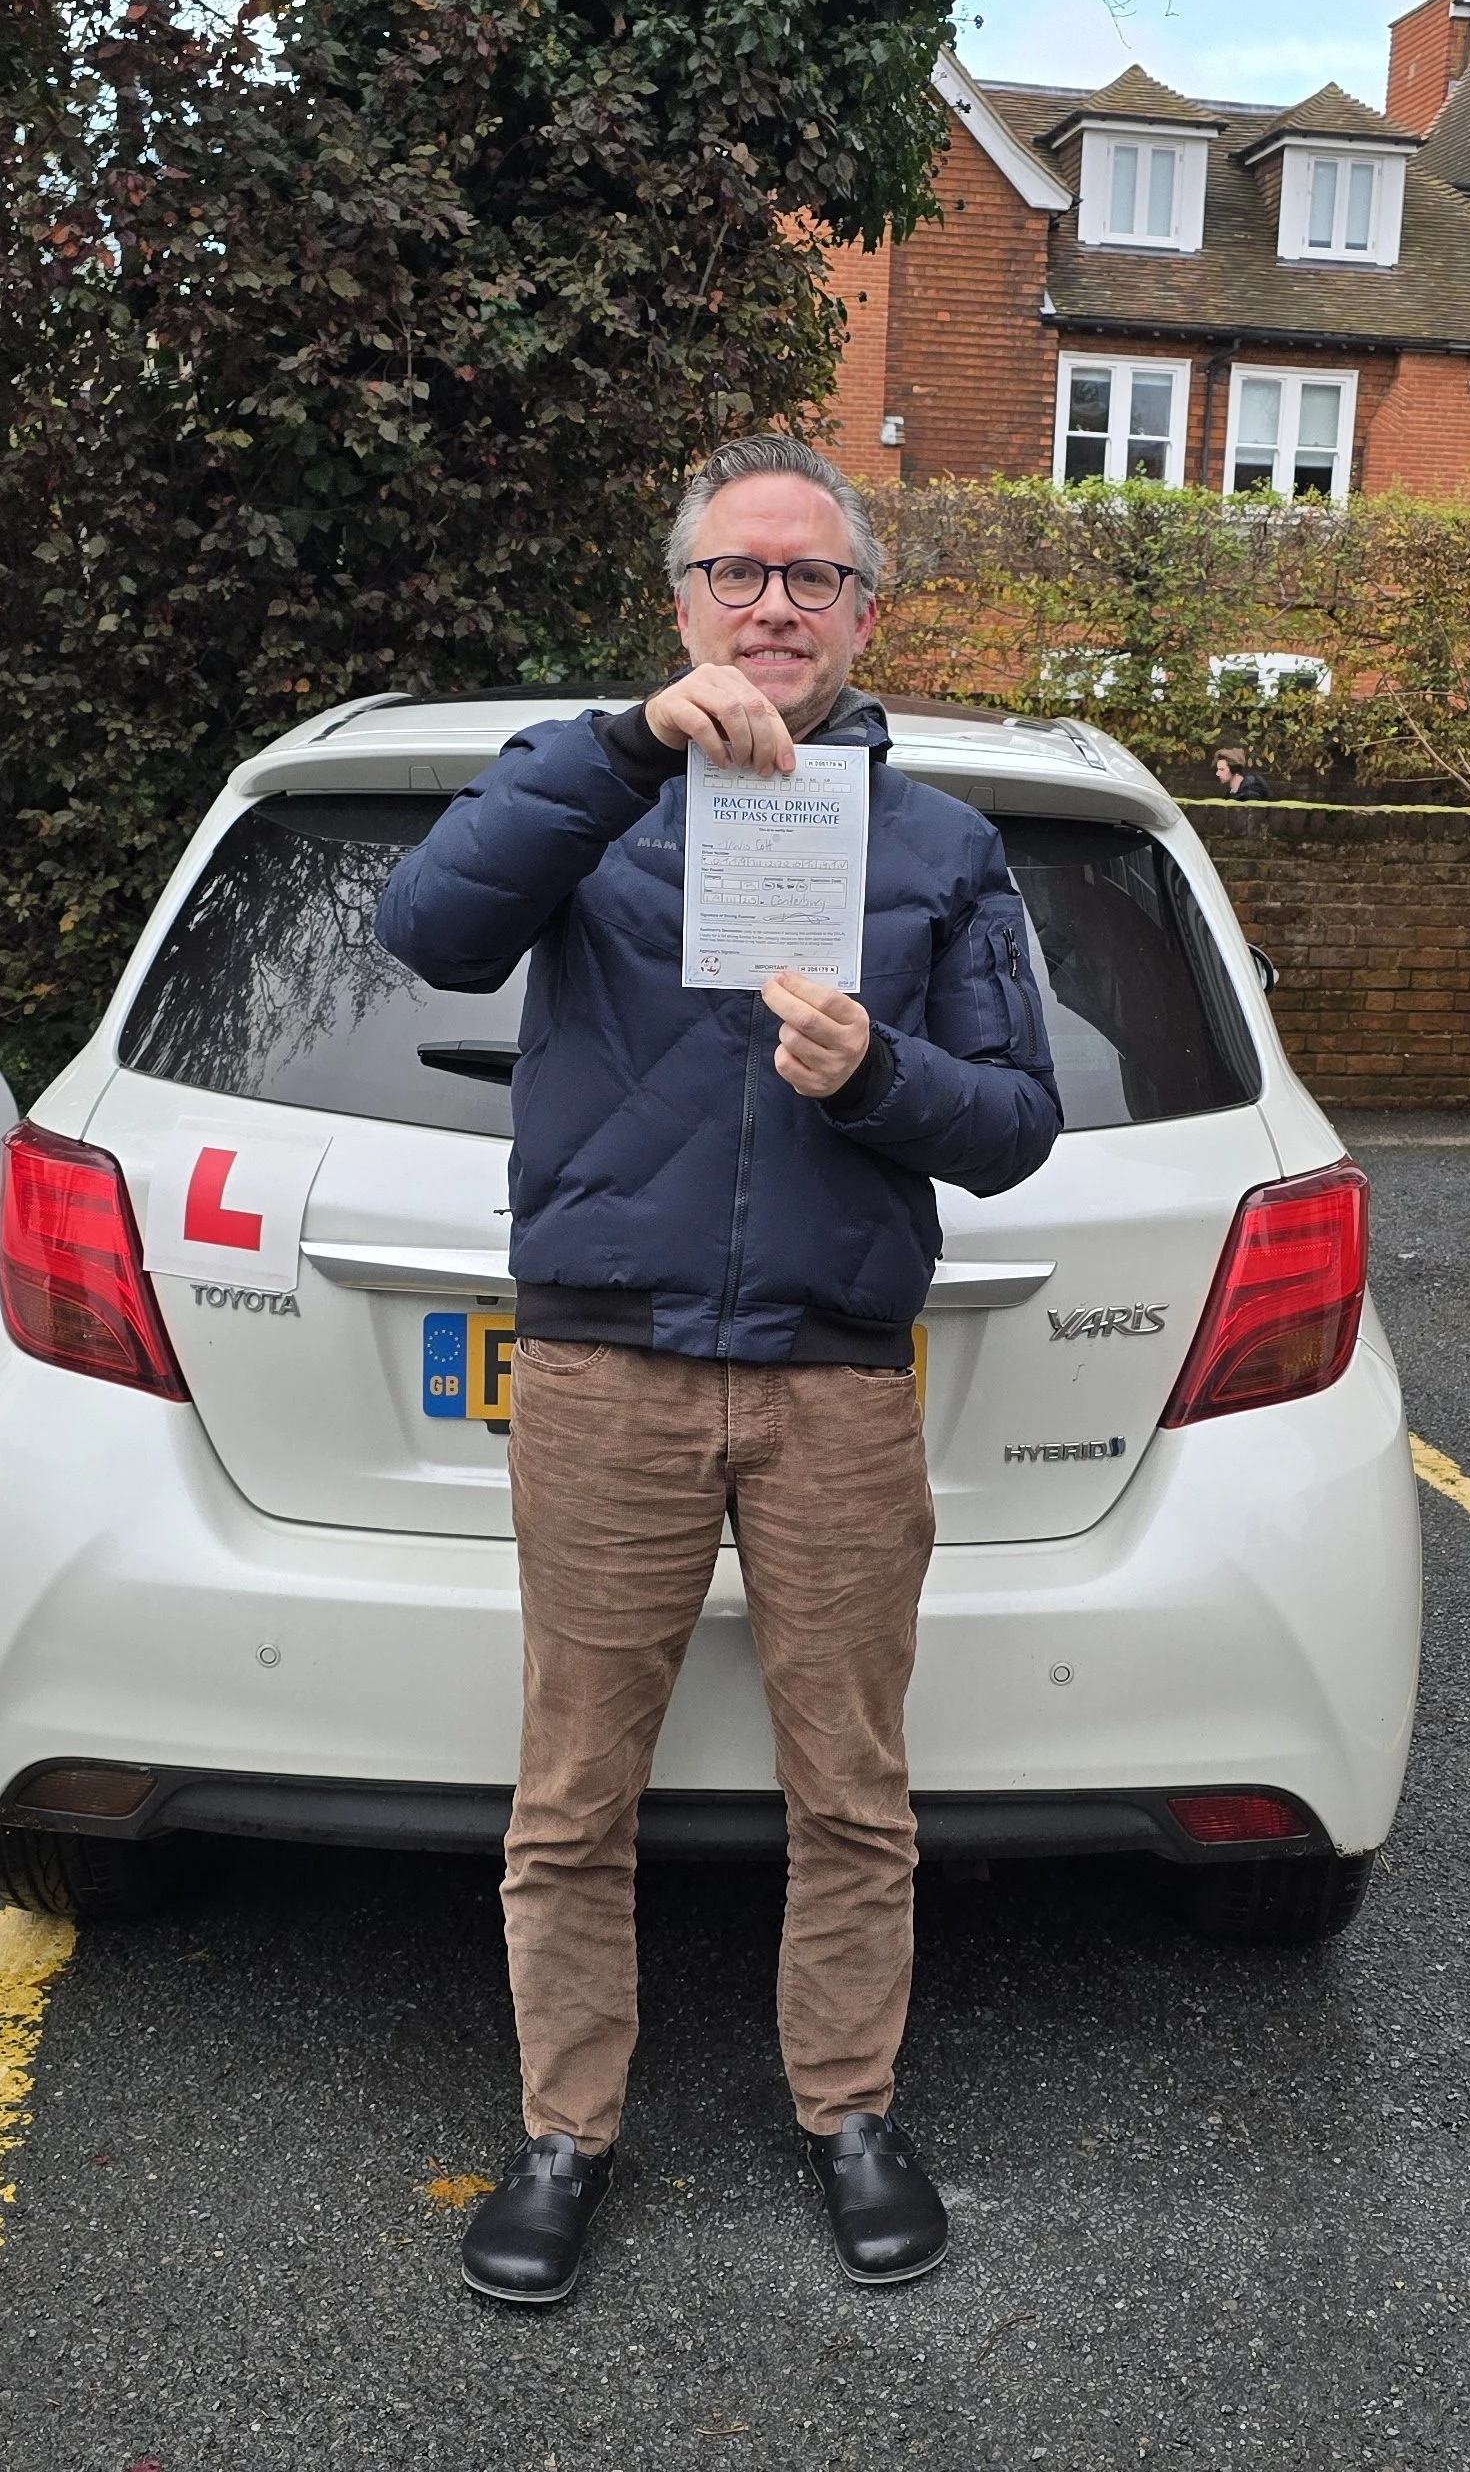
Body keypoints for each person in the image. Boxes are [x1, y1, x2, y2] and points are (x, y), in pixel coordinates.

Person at [375, 436, 1061, 2308]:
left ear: (862, 615)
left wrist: (879, 1078)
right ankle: (563, 2134)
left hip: (838, 1379)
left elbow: (1014, 1127)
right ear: (680, 601)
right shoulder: (579, 786)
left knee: (853, 1785)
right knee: (571, 1787)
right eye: (738, 574)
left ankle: (846, 2110)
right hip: (605, 1369)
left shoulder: (941, 845)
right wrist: (618, 751)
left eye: (812, 578)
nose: (774, 604)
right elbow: (426, 934)